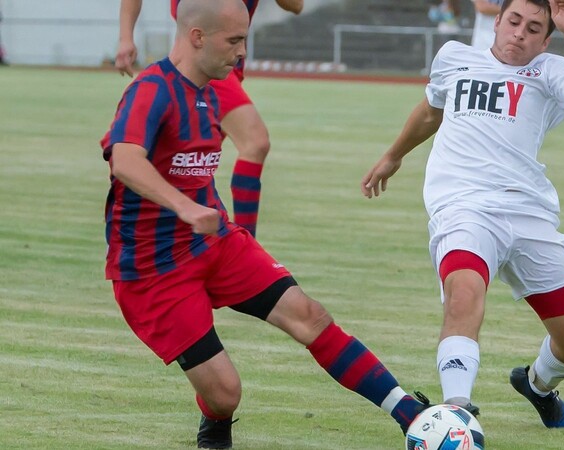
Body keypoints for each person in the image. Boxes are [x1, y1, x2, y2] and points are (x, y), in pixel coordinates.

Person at [100, 0, 427, 448]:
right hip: (153, 271)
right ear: (197, 37)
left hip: (215, 244)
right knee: (226, 393)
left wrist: (213, 220)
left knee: (309, 316)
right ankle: (214, 422)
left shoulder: (213, 91)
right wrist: (188, 209)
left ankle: (413, 416)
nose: (241, 52)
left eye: (244, 40)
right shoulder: (151, 89)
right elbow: (125, 159)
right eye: (234, 41)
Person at [361, 0, 564, 428]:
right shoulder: (454, 57)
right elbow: (429, 112)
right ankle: (456, 410)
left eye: (534, 28)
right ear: (495, 22)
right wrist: (393, 155)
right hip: (463, 205)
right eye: (513, 22)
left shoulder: (549, 70)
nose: (520, 33)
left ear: (545, 39)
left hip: (527, 212)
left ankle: (537, 383)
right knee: (463, 292)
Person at [115, 0, 303, 239]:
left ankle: (189, 240)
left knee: (188, 161)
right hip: (202, 64)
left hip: (227, 67)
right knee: (254, 143)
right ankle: (245, 246)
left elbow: (296, 6)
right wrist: (125, 37)